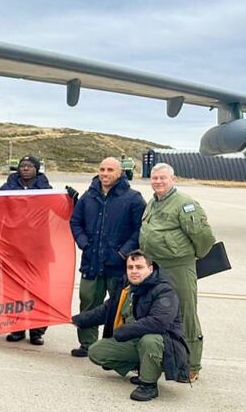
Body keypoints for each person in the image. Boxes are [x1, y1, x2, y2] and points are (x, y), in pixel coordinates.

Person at [71, 250, 190, 402]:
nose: (134, 271)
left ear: (150, 269)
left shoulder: (164, 290)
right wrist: (78, 320)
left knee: (149, 340)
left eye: (139, 267)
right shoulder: (126, 286)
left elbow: (158, 323)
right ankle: (143, 366)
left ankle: (148, 385)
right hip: (135, 340)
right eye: (130, 267)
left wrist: (124, 331)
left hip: (166, 345)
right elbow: (107, 310)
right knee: (96, 351)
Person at [139, 163, 215, 381]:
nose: (158, 182)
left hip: (178, 267)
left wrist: (188, 259)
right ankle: (162, 360)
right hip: (155, 267)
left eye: (163, 178)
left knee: (185, 313)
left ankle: (192, 365)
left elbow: (204, 239)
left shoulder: (185, 204)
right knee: (159, 313)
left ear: (173, 179)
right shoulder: (153, 203)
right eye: (154, 178)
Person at [69, 157, 145, 357]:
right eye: (102, 169)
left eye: (110, 169)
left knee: (118, 306)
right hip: (91, 263)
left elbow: (140, 230)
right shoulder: (89, 196)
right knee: (88, 302)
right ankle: (87, 344)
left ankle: (112, 347)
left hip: (117, 265)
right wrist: (84, 243)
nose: (105, 173)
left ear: (120, 173)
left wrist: (122, 253)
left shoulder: (133, 198)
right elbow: (76, 222)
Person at [0, 155, 52, 345]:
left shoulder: (47, 190)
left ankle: (37, 330)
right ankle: (16, 327)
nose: (26, 168)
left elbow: (60, 210)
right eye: (22, 166)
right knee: (13, 288)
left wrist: (70, 197)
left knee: (38, 289)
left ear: (37, 169)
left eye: (30, 166)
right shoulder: (6, 188)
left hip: (38, 249)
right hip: (13, 247)